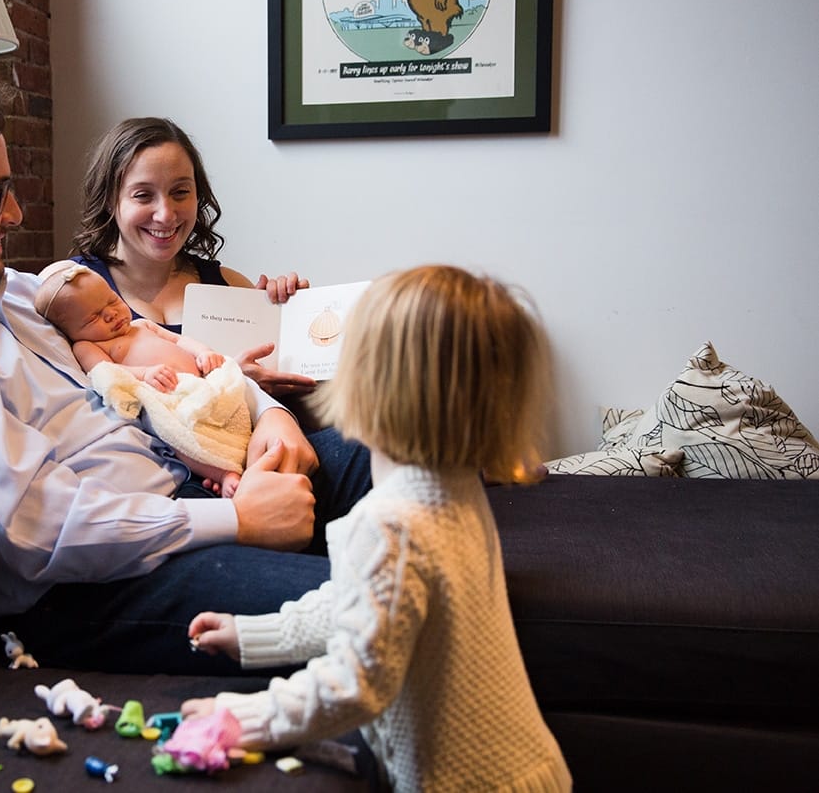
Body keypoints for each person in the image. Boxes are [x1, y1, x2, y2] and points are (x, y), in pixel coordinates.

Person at [0, 71, 372, 675]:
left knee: (396, 452)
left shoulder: (19, 294)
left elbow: (158, 348)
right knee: (376, 609)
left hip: (195, 481)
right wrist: (241, 519)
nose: (16, 213)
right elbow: (38, 527)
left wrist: (273, 417)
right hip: (92, 587)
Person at [180, 265, 571, 791]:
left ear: (375, 386)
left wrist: (242, 719)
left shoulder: (390, 524)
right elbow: (362, 603)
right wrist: (254, 634)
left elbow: (352, 685)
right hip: (529, 771)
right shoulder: (453, 490)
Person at [71, 117, 316, 399]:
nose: (165, 214)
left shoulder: (231, 284)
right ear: (109, 200)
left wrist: (294, 325)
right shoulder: (72, 289)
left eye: (180, 192)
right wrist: (234, 381)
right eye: (143, 195)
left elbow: (299, 405)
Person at [34, 259, 248, 497]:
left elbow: (179, 340)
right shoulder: (87, 346)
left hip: (200, 383)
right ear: (71, 331)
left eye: (112, 300)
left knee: (236, 398)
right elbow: (104, 373)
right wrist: (144, 374)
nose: (111, 314)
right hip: (166, 400)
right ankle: (220, 473)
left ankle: (242, 456)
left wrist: (203, 352)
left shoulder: (142, 325)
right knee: (178, 439)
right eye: (94, 317)